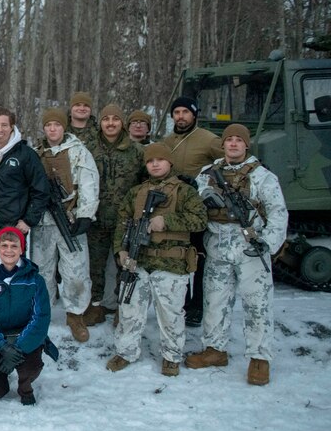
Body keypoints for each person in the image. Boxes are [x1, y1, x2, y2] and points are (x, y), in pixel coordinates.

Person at [187, 124, 288, 385]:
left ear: (246, 145)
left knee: (257, 303)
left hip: (250, 246)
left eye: (238, 140)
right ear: (223, 145)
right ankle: (214, 350)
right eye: (228, 140)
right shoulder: (208, 173)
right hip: (217, 243)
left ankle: (259, 357)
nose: (233, 144)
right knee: (214, 299)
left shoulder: (263, 177)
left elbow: (278, 213)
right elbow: (194, 202)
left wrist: (267, 243)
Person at [107, 143, 208, 376]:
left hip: (171, 265)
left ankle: (171, 357)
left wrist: (167, 221)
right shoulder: (136, 193)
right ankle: (126, 352)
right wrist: (120, 251)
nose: (155, 164)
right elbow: (122, 223)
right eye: (150, 161)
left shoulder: (184, 191)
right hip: (138, 262)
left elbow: (200, 219)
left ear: (169, 162)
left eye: (160, 160)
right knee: (129, 310)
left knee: (171, 315)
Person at [32, 108, 99, 343]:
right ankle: (43, 310)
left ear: (64, 127)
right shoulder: (35, 153)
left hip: (69, 218)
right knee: (42, 269)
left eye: (57, 125)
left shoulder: (78, 152)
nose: (52, 129)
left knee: (76, 269)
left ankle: (75, 313)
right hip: (43, 221)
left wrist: (86, 215)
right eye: (48, 125)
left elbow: (89, 183)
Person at [159, 96, 224, 327]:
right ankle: (182, 303)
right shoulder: (168, 142)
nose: (181, 117)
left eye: (185, 112)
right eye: (176, 112)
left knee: (200, 259)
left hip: (199, 211)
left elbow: (228, 163)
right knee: (178, 257)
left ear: (194, 114)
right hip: (174, 211)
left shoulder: (208, 140)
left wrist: (207, 185)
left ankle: (198, 306)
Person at [0, 228, 53, 405]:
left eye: (14, 246)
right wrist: (1, 346)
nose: (9, 250)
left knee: (31, 366)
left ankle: (25, 386)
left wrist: (19, 348)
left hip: (23, 337)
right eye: (4, 245)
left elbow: (41, 317)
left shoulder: (35, 280)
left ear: (22, 249)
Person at [83, 104, 145, 325]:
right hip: (95, 217)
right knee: (95, 265)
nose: (110, 123)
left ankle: (122, 307)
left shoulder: (136, 151)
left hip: (125, 219)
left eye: (115, 119)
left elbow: (147, 182)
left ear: (122, 123)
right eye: (106, 119)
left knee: (125, 264)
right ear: (100, 122)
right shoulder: (88, 147)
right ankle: (96, 305)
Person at [0, 107, 49, 263]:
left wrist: (29, 220)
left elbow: (41, 190)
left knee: (13, 272)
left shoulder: (26, 154)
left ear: (12, 127)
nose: (0, 129)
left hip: (14, 226)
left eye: (4, 125)